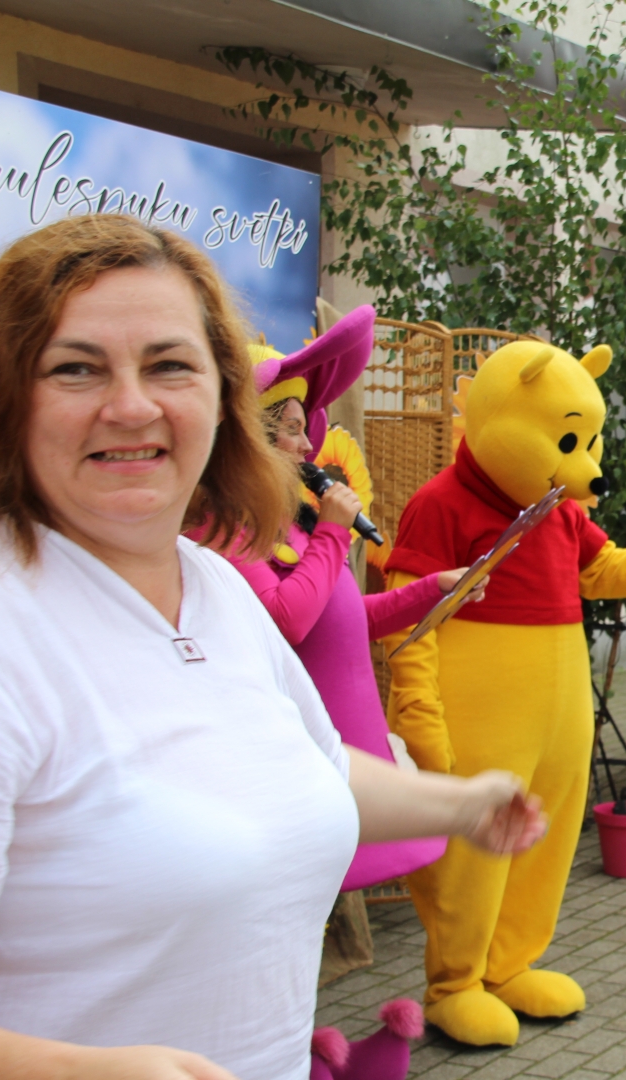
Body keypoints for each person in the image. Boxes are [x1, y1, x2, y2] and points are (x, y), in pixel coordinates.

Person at [0, 214, 548, 1080]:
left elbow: (310, 765)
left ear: (222, 404)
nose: (132, 405)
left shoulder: (214, 586)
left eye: (169, 366)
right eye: (76, 368)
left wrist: (458, 803)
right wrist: (83, 1070)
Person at [226, 312, 487, 890]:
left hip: (350, 759)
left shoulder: (296, 524)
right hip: (296, 770)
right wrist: (333, 531)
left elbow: (345, 622)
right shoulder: (225, 527)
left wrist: (433, 590)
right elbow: (288, 620)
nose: (307, 445)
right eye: (290, 430)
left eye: (304, 429)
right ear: (250, 437)